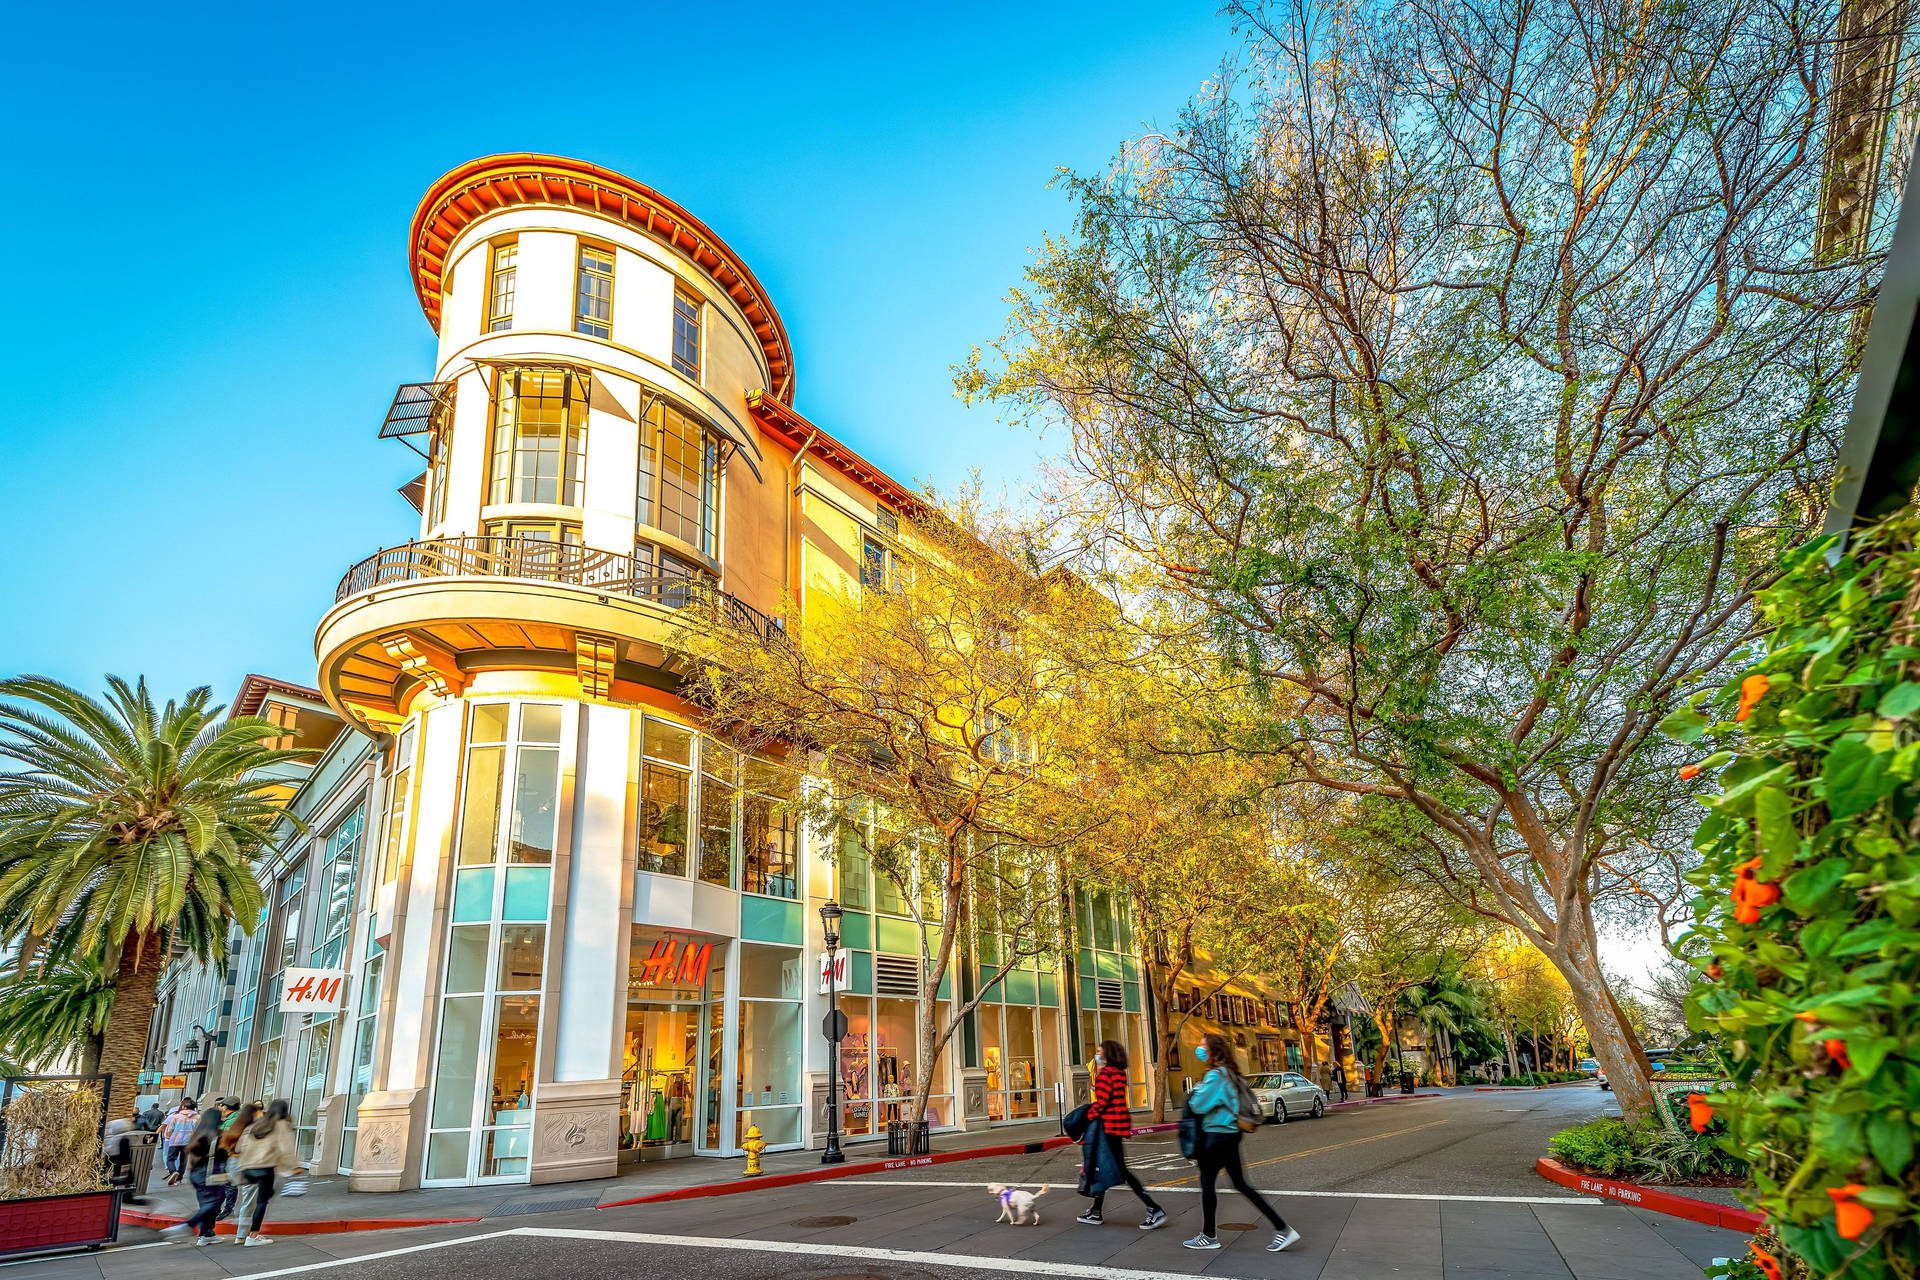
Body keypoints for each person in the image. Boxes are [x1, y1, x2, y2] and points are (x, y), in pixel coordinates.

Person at [1182, 1033, 1299, 1253]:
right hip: (1231, 1134)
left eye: (1202, 1046)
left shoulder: (1216, 1076)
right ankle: (1283, 1229)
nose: (1199, 1049)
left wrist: (1195, 1090)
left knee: (1208, 1184)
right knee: (1241, 1185)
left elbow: (1198, 1105)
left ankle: (1208, 1236)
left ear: (1213, 1051)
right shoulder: (1231, 1073)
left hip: (1216, 1135)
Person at [1074, 1039, 1166, 1231]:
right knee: (1105, 1168)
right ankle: (1096, 1211)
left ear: (1107, 1054)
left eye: (1099, 1051)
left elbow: (1102, 1103)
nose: (1097, 1054)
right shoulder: (1118, 1073)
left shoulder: (1106, 1074)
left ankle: (1154, 1208)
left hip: (1107, 1127)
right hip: (1116, 1127)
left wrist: (1088, 1116)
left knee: (1119, 1170)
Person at [231, 1099, 302, 1247]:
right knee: (262, 1201)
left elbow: (239, 1147)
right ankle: (253, 1235)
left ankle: (242, 1228)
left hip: (247, 1168)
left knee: (250, 1199)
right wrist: (294, 1166)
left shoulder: (258, 1123)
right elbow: (286, 1148)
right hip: (265, 1168)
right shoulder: (281, 1125)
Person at [160, 1107, 230, 1247]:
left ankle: (206, 1234)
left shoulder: (198, 1134)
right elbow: (224, 1156)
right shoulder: (218, 1135)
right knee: (213, 1204)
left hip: (196, 1173)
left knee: (207, 1205)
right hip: (212, 1174)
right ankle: (187, 1226)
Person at [219, 1102, 259, 1225]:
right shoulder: (251, 1128)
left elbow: (224, 1142)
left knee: (228, 1185)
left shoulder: (234, 1123)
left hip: (232, 1161)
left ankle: (225, 1210)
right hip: (247, 1163)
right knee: (248, 1198)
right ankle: (243, 1230)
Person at [162, 1098, 199, 1184]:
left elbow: (170, 1129)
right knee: (183, 1160)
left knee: (170, 1159)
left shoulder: (176, 1116)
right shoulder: (197, 1117)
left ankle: (173, 1172)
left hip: (175, 1140)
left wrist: (167, 1136)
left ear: (184, 1106)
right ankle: (179, 1179)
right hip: (189, 1141)